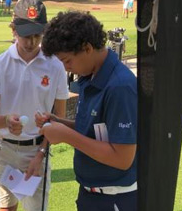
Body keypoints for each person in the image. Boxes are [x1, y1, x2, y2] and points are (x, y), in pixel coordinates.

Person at [39, 11, 137, 211]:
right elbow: (93, 129)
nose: (67, 69)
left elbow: (123, 158)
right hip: (91, 194)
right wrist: (59, 122)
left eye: (67, 61)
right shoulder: (89, 76)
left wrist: (66, 136)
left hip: (115, 198)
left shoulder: (120, 86)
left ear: (87, 48)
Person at [0, 0, 69, 211]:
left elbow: (61, 120)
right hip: (2, 149)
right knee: (5, 208)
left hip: (37, 150)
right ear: (13, 29)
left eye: (37, 35)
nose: (31, 42)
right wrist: (4, 120)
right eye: (26, 35)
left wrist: (41, 153)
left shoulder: (56, 66)